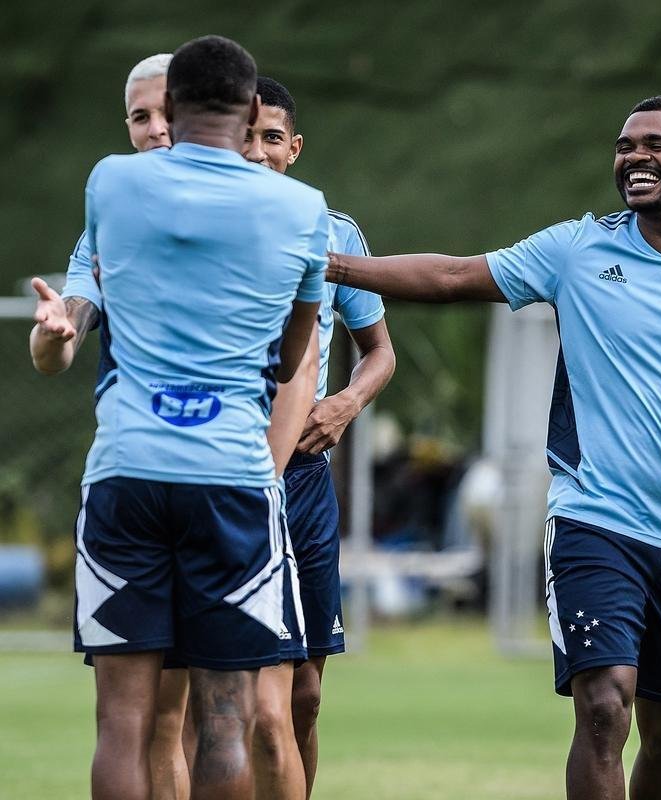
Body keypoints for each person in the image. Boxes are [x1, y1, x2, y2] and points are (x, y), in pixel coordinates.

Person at [324, 95, 661, 800]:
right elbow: (452, 276)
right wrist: (330, 265)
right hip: (593, 519)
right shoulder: (577, 249)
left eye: (655, 145)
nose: (634, 157)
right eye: (624, 146)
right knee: (604, 705)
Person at [53, 35, 327, 800]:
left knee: (123, 725)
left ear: (169, 108)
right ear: (253, 112)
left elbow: (101, 287)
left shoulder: (111, 182)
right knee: (226, 721)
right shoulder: (301, 209)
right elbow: (292, 354)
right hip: (231, 477)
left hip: (127, 470)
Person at [28, 52, 194, 800]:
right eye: (139, 117)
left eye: (168, 112)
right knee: (146, 719)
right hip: (132, 477)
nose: (155, 130)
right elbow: (62, 342)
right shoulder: (109, 220)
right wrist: (55, 332)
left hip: (230, 477)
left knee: (220, 714)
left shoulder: (257, 209)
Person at [241, 76, 395, 800]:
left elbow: (379, 351)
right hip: (226, 470)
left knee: (303, 692)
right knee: (227, 692)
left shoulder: (333, 233)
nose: (258, 150)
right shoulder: (200, 226)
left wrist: (345, 404)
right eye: (245, 135)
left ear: (294, 147)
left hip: (303, 477)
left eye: (272, 137)